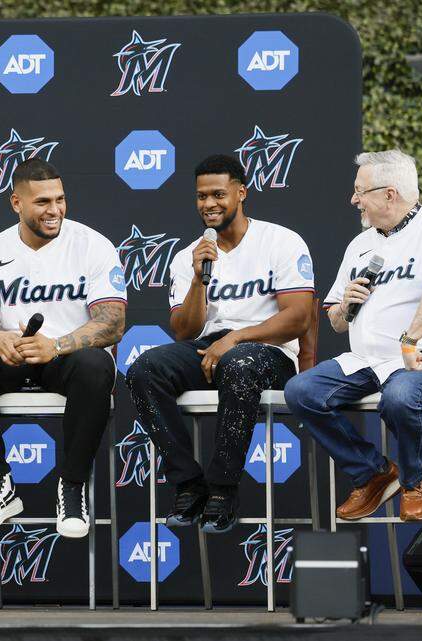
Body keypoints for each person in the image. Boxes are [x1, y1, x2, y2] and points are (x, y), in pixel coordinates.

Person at [124, 154, 314, 534]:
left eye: (218, 194)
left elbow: (299, 317)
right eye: (201, 197)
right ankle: (189, 482)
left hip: (269, 352)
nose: (208, 204)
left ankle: (222, 489)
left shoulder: (280, 241)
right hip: (211, 348)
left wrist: (236, 338)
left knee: (239, 362)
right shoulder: (189, 256)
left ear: (241, 193)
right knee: (145, 369)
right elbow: (184, 330)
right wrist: (198, 280)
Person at [0, 158, 126, 539]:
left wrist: (56, 345)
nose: (55, 210)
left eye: (60, 200)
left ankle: (72, 486)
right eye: (43, 202)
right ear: (17, 204)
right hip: (15, 357)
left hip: (66, 359)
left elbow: (112, 323)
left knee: (96, 364)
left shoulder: (93, 245)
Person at [285, 149, 422, 522]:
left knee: (399, 396)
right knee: (302, 392)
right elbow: (336, 320)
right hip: (367, 361)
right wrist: (346, 304)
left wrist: (409, 341)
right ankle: (372, 474)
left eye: (360, 191)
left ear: (390, 193)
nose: (354, 200)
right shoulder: (361, 244)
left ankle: (416, 481)